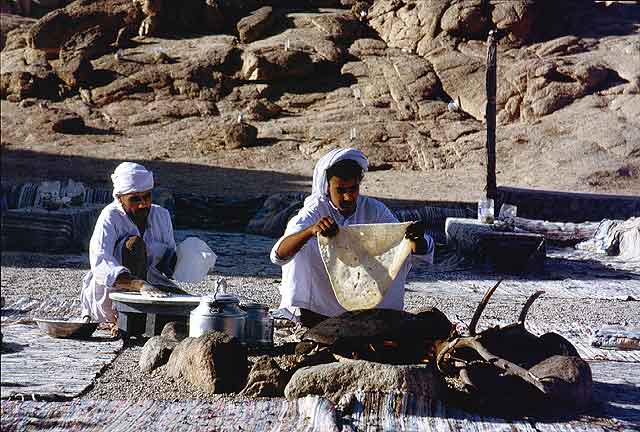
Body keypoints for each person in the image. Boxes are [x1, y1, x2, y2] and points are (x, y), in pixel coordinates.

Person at [270, 148, 434, 327]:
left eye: (353, 188)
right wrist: (311, 231)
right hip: (321, 303)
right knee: (305, 247)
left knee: (397, 248)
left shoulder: (374, 210)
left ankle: (382, 318)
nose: (348, 197)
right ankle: (314, 316)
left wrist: (415, 239)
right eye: (340, 190)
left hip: (368, 295)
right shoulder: (315, 210)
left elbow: (415, 252)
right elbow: (278, 255)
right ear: (327, 187)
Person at [80, 162, 178, 324]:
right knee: (133, 244)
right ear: (119, 198)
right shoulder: (110, 217)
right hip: (112, 296)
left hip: (152, 287)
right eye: (135, 199)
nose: (143, 204)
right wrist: (138, 285)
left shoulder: (162, 215)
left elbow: (169, 264)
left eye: (147, 197)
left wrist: (190, 261)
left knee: (190, 311)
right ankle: (123, 318)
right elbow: (100, 264)